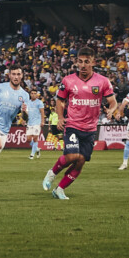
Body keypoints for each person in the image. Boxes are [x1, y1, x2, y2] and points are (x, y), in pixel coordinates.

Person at [42, 54, 117, 200]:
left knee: (81, 161)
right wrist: (61, 117)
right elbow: (60, 100)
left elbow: (113, 102)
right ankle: (52, 173)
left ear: (92, 62)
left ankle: (60, 189)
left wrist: (111, 110)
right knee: (72, 156)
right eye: (80, 62)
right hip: (73, 125)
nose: (82, 65)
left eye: (86, 62)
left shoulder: (102, 81)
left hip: (90, 129)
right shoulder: (68, 80)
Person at [25, 89, 46, 160]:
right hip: (29, 123)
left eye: (35, 93)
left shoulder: (39, 102)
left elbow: (42, 112)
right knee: (28, 139)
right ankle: (37, 149)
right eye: (32, 93)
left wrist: (42, 121)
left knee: (35, 138)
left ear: (36, 94)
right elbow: (26, 113)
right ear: (30, 94)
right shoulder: (28, 102)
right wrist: (23, 120)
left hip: (37, 122)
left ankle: (32, 154)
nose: (33, 94)